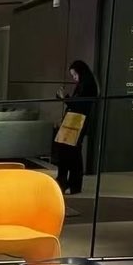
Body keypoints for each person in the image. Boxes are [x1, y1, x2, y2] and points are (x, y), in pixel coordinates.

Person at [56, 60, 100, 196]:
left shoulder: (88, 86)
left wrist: (65, 98)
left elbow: (80, 106)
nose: (74, 78)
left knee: (73, 154)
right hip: (72, 122)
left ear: (81, 72)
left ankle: (73, 184)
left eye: (75, 75)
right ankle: (63, 181)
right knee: (65, 152)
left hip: (78, 123)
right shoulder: (82, 85)